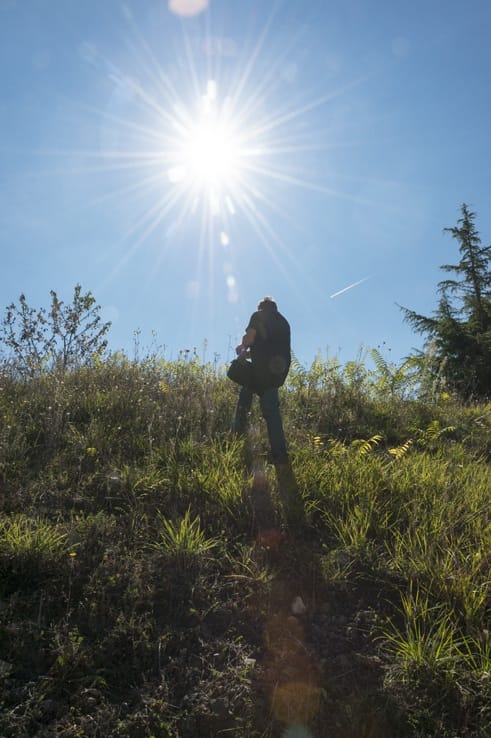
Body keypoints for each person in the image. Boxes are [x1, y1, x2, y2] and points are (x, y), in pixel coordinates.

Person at [232, 297, 291, 465]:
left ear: (261, 307)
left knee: (244, 399)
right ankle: (280, 456)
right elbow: (267, 348)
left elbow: (250, 338)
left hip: (262, 369)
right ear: (275, 308)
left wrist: (242, 348)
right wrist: (249, 353)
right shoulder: (284, 322)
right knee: (271, 410)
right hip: (278, 370)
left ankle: (236, 438)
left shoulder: (258, 316)